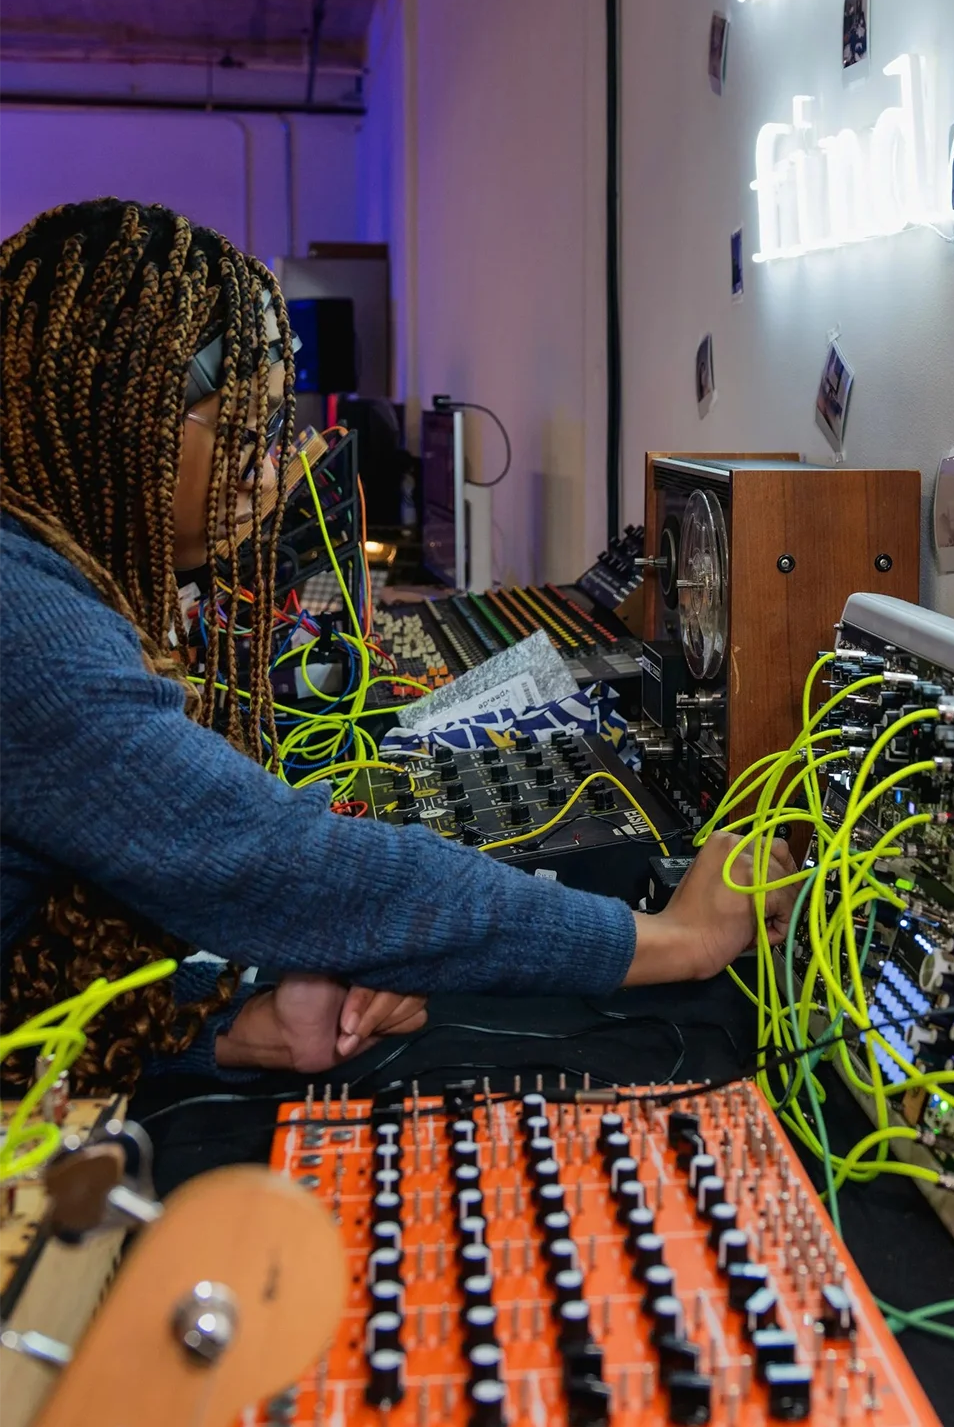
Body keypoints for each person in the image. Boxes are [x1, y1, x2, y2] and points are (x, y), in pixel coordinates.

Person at [0, 201, 795, 1087]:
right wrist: (670, 941)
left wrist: (220, 1027)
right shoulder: (27, 624)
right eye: (250, 433)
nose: (269, 475)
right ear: (130, 418)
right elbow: (289, 869)